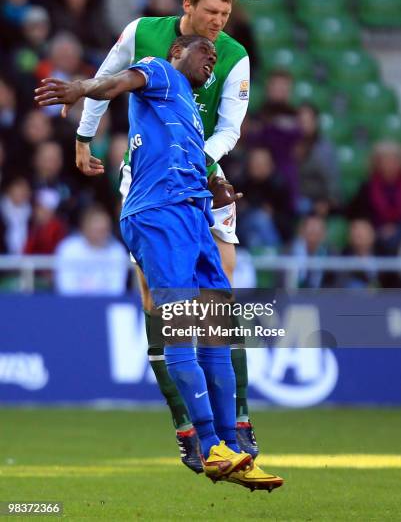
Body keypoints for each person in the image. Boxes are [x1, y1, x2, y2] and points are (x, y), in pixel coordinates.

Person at [35, 33, 284, 492]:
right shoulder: (160, 71)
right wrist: (79, 89)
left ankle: (232, 448)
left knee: (217, 325)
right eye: (203, 51)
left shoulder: (189, 107)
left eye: (214, 57)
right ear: (176, 51)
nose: (211, 57)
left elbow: (185, 158)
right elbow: (118, 83)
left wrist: (217, 187)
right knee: (181, 325)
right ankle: (210, 445)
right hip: (159, 215)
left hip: (192, 215)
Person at [64, 0, 257, 473]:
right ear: (187, 6)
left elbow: (230, 129)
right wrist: (84, 139)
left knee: (221, 293)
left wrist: (201, 163)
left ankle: (237, 422)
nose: (219, 23)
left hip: (206, 171)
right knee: (159, 299)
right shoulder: (144, 35)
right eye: (211, 13)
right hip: (151, 179)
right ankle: (187, 426)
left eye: (227, 14)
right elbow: (108, 79)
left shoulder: (235, 58)